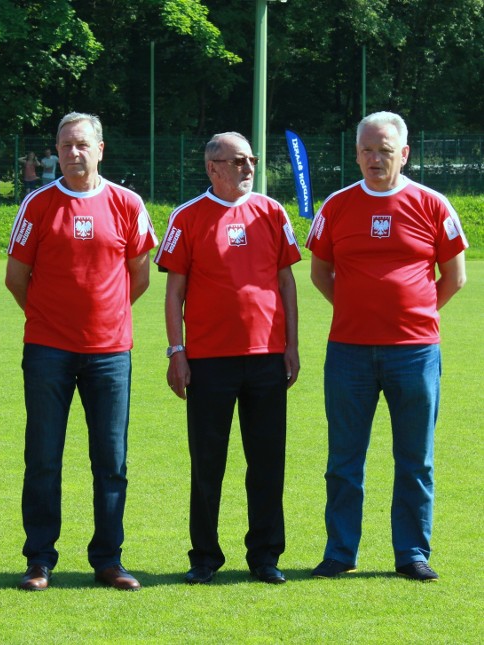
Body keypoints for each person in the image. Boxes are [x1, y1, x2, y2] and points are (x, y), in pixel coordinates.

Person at [306, 111, 468, 582]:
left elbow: (455, 276)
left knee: (416, 458)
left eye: (385, 150)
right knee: (343, 459)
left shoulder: (433, 204)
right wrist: (357, 311)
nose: (375, 159)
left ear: (405, 153)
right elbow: (320, 273)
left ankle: (412, 553)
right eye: (367, 150)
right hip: (349, 353)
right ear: (356, 153)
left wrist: (414, 316)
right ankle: (340, 551)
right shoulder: (336, 206)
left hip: (414, 352)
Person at [5, 112, 158, 591]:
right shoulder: (36, 206)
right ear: (57, 149)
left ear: (100, 149)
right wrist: (54, 321)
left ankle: (108, 560)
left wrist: (105, 316)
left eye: (82, 145)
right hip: (48, 350)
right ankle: (39, 560)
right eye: (66, 145)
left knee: (111, 459)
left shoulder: (128, 204)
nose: (74, 153)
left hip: (110, 353)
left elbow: (140, 274)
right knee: (43, 456)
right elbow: (15, 278)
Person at [155, 132, 301, 585]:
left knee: (266, 461)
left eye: (251, 159)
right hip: (208, 360)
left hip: (266, 358)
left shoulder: (272, 212)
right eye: (238, 160)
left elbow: (287, 283)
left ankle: (265, 556)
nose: (248, 167)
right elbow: (174, 291)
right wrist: (176, 351)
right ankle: (204, 557)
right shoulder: (187, 216)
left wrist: (292, 345)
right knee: (207, 463)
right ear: (212, 167)